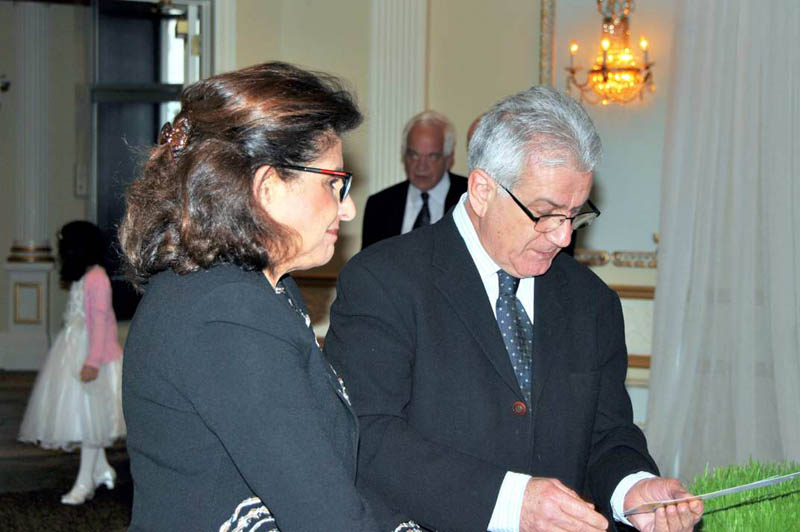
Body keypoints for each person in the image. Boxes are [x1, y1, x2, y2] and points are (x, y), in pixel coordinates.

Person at [325, 87, 704, 532]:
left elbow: (607, 434)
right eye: (545, 213)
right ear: (483, 190)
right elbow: (366, 435)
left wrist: (631, 488)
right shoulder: (384, 281)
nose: (563, 236)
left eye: (575, 215)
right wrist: (508, 502)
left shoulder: (592, 302)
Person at [119, 62, 420, 532]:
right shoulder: (226, 313)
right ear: (267, 188)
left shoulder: (257, 287)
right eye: (333, 183)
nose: (347, 207)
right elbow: (324, 516)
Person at [19, 220, 125, 505]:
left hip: (93, 355)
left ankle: (84, 482)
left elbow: (101, 324)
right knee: (88, 420)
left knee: (91, 422)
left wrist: (93, 362)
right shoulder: (85, 276)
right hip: (74, 350)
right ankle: (102, 469)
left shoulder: (97, 279)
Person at [361, 110, 468, 249]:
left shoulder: (469, 198)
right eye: (414, 155)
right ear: (404, 156)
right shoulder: (379, 206)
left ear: (448, 159)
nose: (421, 166)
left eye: (432, 157)